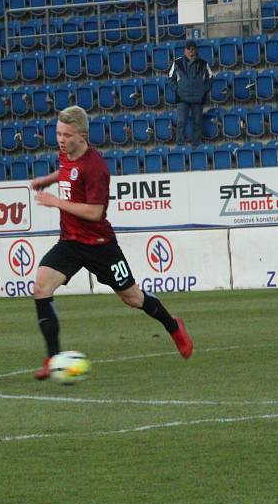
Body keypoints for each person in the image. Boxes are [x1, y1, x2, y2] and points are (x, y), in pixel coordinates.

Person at [30, 106, 193, 380]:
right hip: (70, 242)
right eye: (58, 133)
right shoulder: (66, 154)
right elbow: (66, 172)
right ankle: (53, 358)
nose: (60, 139)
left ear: (82, 136)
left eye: (66, 135)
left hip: (100, 245)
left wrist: (55, 201)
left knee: (133, 298)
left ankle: (172, 325)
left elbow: (94, 213)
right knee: (41, 288)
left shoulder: (96, 168)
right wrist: (47, 180)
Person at [168, 39, 213, 147]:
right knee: (181, 121)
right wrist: (177, 90)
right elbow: (170, 78)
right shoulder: (177, 63)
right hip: (182, 98)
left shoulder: (203, 63)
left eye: (193, 49)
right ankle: (180, 145)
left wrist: (203, 91)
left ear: (196, 50)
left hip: (197, 98)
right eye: (189, 49)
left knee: (198, 122)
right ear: (185, 50)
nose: (191, 51)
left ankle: (196, 144)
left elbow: (210, 78)